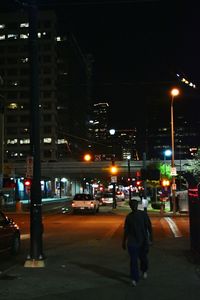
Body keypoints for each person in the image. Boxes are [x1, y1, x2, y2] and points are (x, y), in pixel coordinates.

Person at [122, 199, 153, 287]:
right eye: (132, 205)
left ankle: (144, 270)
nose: (133, 207)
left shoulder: (143, 215)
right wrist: (124, 241)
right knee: (133, 261)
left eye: (134, 205)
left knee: (143, 258)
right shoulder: (129, 217)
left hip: (143, 241)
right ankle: (134, 278)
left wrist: (151, 238)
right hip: (132, 242)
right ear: (130, 207)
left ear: (137, 205)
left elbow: (149, 227)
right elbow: (126, 230)